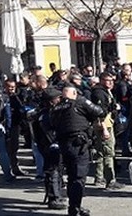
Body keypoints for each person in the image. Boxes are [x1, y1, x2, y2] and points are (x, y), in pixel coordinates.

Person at [50, 85, 106, 216]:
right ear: (74, 93)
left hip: (64, 145)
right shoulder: (79, 102)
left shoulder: (56, 108)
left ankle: (75, 206)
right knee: (78, 178)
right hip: (78, 144)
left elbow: (52, 124)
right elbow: (99, 111)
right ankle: (74, 209)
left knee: (71, 177)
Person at [30, 88, 66, 210]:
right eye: (57, 98)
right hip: (50, 146)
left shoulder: (48, 113)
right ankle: (54, 198)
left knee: (58, 170)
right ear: (51, 101)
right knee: (53, 171)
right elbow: (48, 133)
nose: (60, 99)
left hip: (50, 145)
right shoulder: (45, 115)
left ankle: (57, 194)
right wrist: (54, 143)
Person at [90, 72, 124, 190]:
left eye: (112, 80)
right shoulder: (99, 93)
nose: (111, 82)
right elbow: (100, 113)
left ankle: (99, 177)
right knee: (108, 153)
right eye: (107, 80)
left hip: (108, 123)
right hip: (104, 125)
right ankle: (110, 180)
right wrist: (104, 129)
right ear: (101, 80)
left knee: (101, 152)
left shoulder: (106, 91)